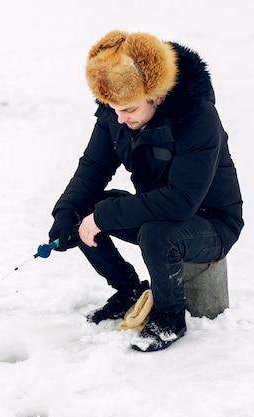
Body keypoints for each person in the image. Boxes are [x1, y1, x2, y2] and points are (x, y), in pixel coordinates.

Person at [48, 31, 243, 352]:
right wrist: (66, 213)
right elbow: (93, 167)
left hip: (213, 223)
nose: (120, 119)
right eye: (113, 110)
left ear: (158, 95)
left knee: (156, 234)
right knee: (83, 212)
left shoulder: (198, 117)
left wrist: (103, 216)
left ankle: (169, 317)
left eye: (128, 110)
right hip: (159, 213)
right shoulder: (118, 113)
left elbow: (181, 201)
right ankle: (128, 290)